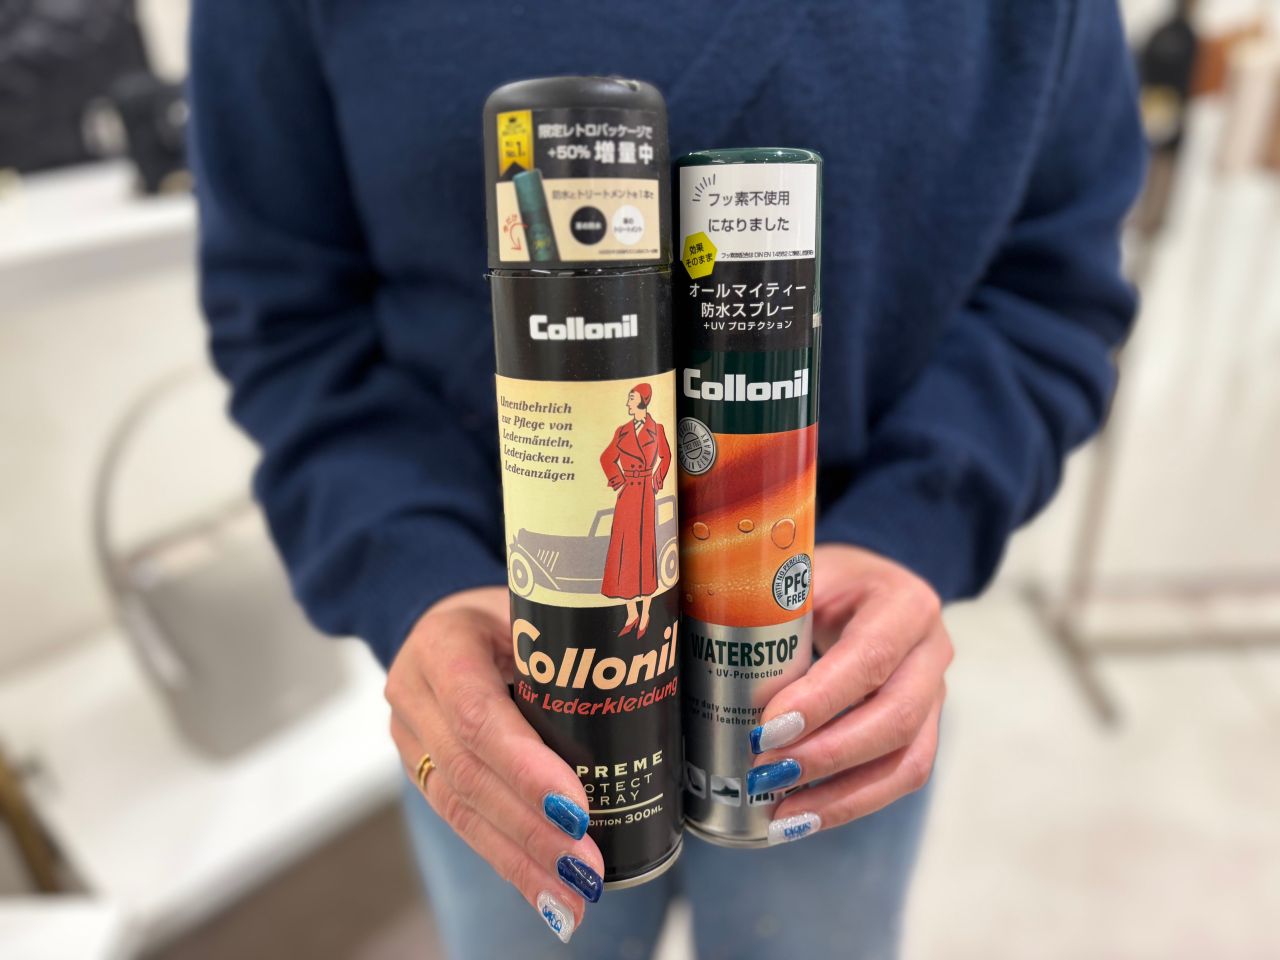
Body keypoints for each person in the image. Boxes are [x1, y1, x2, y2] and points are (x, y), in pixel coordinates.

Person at [190, 2, 1144, 957]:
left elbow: (1053, 288)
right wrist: (413, 571)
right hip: (503, 688)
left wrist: (914, 526)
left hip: (823, 667)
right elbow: (287, 321)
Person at [599, 383, 672, 638]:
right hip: (628, 494)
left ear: (642, 400)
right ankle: (631, 613)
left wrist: (656, 480)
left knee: (645, 549)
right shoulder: (622, 431)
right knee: (624, 551)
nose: (628, 403)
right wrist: (619, 481)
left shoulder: (657, 429)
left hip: (645, 496)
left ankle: (647, 613)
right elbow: (606, 458)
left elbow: (666, 456)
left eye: (632, 398)